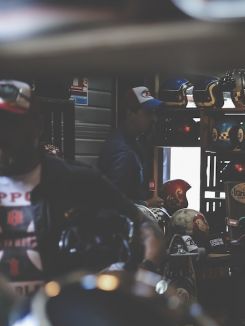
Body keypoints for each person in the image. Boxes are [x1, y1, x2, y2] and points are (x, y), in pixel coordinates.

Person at [0, 79, 164, 296]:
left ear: (37, 126)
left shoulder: (76, 180)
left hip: (54, 319)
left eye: (10, 123)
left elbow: (145, 227)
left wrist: (142, 272)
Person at [98, 86, 164, 207]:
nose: (153, 119)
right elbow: (111, 200)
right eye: (147, 113)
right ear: (130, 113)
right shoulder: (121, 150)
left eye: (153, 113)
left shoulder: (133, 142)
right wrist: (146, 204)